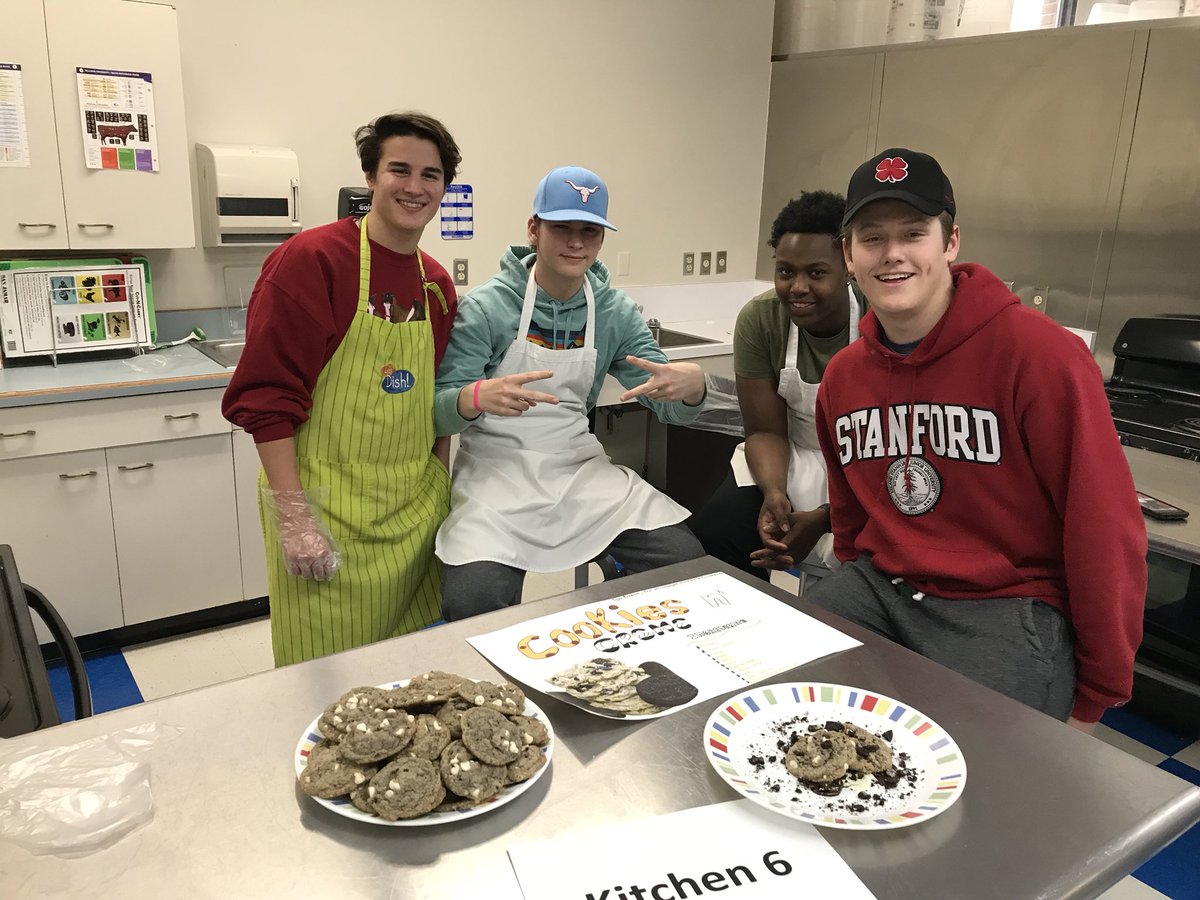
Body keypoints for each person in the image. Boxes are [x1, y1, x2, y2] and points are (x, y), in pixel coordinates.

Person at [808, 147, 1146, 731]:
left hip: (1005, 603)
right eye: (872, 238)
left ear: (950, 242)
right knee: (793, 703)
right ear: (849, 255)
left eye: (913, 233)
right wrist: (852, 580)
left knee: (977, 770)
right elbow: (850, 516)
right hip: (882, 587)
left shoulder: (1039, 356)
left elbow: (1102, 526)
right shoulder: (844, 376)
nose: (893, 254)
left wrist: (1098, 689)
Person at [223, 111, 462, 665]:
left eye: (430, 175)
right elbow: (265, 400)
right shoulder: (312, 261)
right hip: (326, 510)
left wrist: (440, 492)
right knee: (326, 681)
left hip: (412, 511)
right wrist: (295, 518)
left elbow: (435, 402)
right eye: (398, 169)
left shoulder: (436, 285)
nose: (414, 186)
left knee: (408, 672)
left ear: (444, 188)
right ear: (371, 177)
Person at [433, 165, 707, 620]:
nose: (576, 243)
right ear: (534, 229)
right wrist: (473, 399)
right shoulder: (486, 307)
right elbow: (438, 412)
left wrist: (692, 389)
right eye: (562, 228)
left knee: (684, 562)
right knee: (472, 601)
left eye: (590, 231)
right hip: (494, 475)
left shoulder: (615, 312)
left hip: (578, 469)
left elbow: (667, 405)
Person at [689, 191, 862, 580]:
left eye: (816, 273)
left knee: (862, 566)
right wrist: (773, 494)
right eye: (786, 271)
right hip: (789, 454)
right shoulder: (762, 320)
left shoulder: (878, 317)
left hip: (864, 466)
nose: (797, 287)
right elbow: (765, 430)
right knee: (719, 534)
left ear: (848, 265)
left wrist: (824, 518)